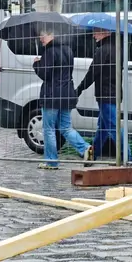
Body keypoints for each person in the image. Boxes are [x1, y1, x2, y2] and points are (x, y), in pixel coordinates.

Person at [33, 28, 92, 170]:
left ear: (52, 34)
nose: (41, 38)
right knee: (66, 127)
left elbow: (45, 75)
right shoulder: (68, 50)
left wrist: (36, 64)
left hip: (51, 96)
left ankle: (51, 162)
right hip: (66, 94)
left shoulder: (49, 52)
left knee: (49, 129)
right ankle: (85, 148)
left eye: (43, 35)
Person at [74, 28, 122, 162]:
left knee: (113, 127)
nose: (94, 35)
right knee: (103, 127)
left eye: (96, 32)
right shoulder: (117, 48)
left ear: (105, 32)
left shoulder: (103, 50)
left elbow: (92, 73)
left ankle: (127, 157)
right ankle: (93, 155)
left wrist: (79, 89)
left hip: (106, 94)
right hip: (115, 92)